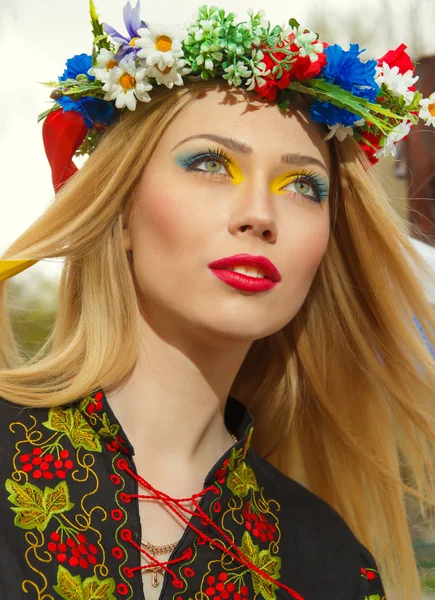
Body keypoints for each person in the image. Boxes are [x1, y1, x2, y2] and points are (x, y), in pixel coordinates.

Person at [1, 2, 435, 599]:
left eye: (303, 186)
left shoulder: (331, 567)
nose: (259, 215)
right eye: (211, 163)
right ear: (121, 210)